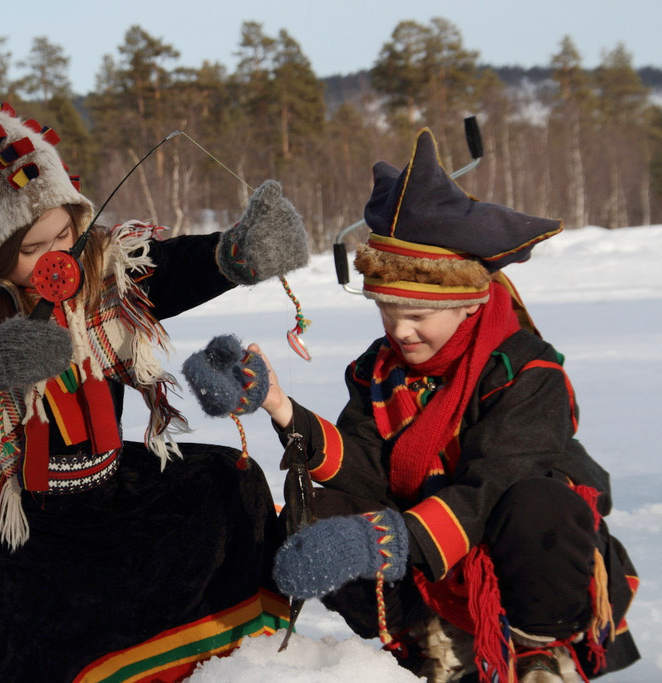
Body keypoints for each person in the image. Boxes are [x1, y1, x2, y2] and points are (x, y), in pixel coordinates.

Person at [0, 94, 308, 682]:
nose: (56, 257)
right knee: (50, 647)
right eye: (30, 250)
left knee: (230, 484)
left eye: (63, 233)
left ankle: (237, 653)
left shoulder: (100, 269)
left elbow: (172, 268)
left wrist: (235, 253)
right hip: (14, 524)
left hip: (106, 491)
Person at [252, 129, 639, 682]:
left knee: (539, 507)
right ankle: (416, 636)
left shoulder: (529, 372)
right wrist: (279, 406)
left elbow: (495, 485)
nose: (399, 331)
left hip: (516, 557)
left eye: (417, 315)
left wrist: (380, 540)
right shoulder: (379, 369)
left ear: (467, 306)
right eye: (387, 311)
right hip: (429, 553)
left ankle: (535, 650)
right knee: (315, 512)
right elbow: (365, 465)